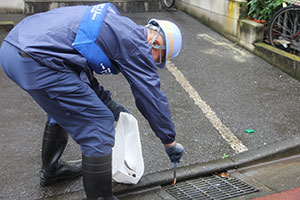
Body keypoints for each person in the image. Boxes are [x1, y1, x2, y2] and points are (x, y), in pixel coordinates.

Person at [0, 3, 184, 200]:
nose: (154, 62)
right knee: (98, 123)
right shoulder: (137, 43)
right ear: (156, 43)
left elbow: (77, 68)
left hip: (14, 49)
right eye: (159, 58)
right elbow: (150, 95)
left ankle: (52, 170)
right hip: (34, 59)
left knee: (63, 107)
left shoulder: (115, 26)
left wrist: (109, 103)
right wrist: (169, 140)